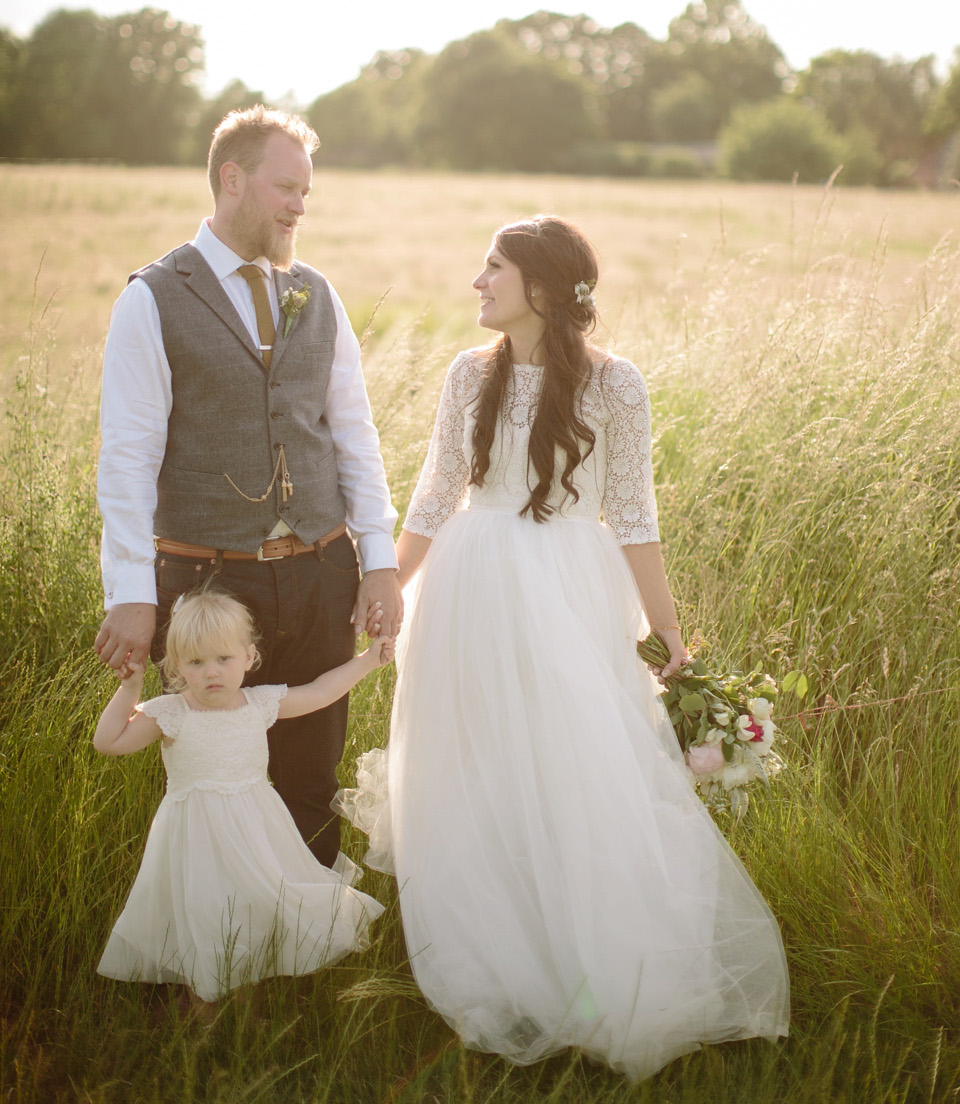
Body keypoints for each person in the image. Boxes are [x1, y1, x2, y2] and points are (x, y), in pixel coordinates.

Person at [338, 214, 789, 1081]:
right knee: (471, 772)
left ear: (542, 289)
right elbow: (435, 494)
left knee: (575, 768)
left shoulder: (617, 386)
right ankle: (499, 959)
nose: (477, 282)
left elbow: (635, 513)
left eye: (493, 268)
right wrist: (390, 588)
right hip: (465, 593)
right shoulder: (468, 374)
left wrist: (669, 632)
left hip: (568, 594)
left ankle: (593, 973)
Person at [93, 105, 402, 868]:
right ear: (232, 179)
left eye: (307, 192)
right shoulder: (153, 297)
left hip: (323, 569)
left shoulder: (317, 294)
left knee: (311, 762)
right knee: (218, 771)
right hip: (209, 578)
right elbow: (128, 455)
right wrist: (130, 590)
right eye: (286, 187)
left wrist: (381, 557)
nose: (301, 206)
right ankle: (230, 937)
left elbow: (353, 434)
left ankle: (313, 930)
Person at [94, 588, 395, 1006]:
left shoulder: (259, 703)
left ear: (249, 657)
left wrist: (367, 661)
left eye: (224, 659)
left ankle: (250, 994)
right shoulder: (171, 712)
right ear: (177, 665)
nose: (211, 673)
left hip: (254, 829)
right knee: (204, 911)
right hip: (195, 836)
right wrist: (129, 690)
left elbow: (322, 691)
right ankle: (203, 1005)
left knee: (256, 902)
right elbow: (109, 742)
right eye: (196, 662)